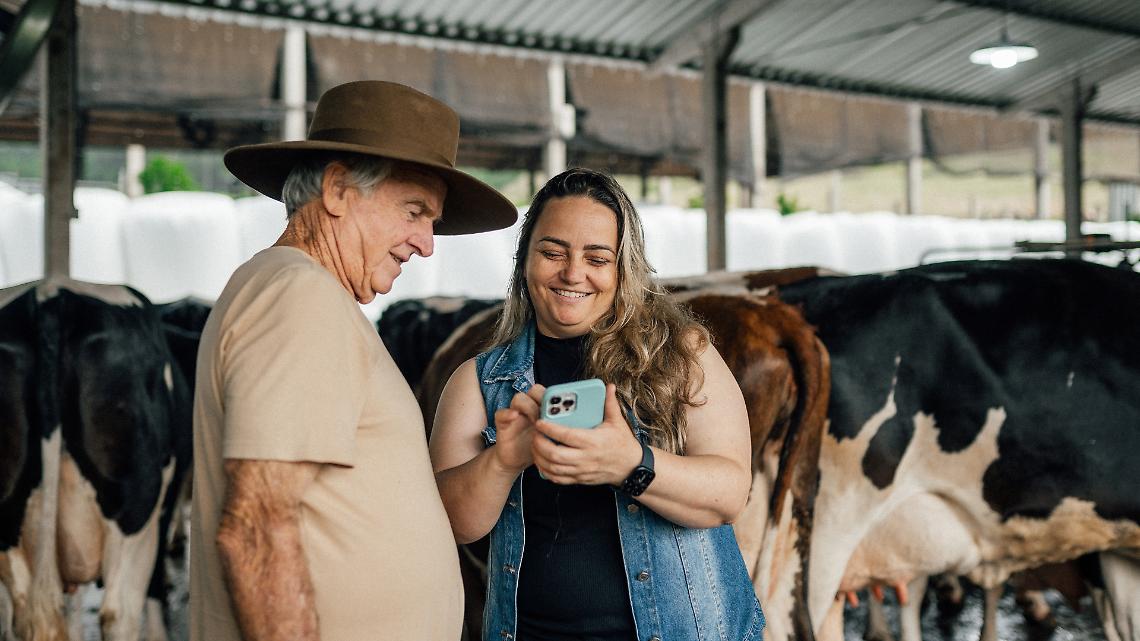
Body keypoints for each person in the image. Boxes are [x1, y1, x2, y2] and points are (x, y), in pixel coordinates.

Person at [189, 80, 517, 641]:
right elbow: (256, 528)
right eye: (414, 212)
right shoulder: (302, 296)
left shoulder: (293, 290)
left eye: (431, 221)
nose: (426, 243)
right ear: (338, 189)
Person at [429, 168, 765, 641]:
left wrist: (631, 463)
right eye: (552, 252)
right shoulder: (479, 382)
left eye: (597, 257)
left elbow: (728, 494)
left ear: (622, 269)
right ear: (525, 259)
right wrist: (504, 459)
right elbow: (457, 525)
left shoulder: (682, 355)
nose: (573, 273)